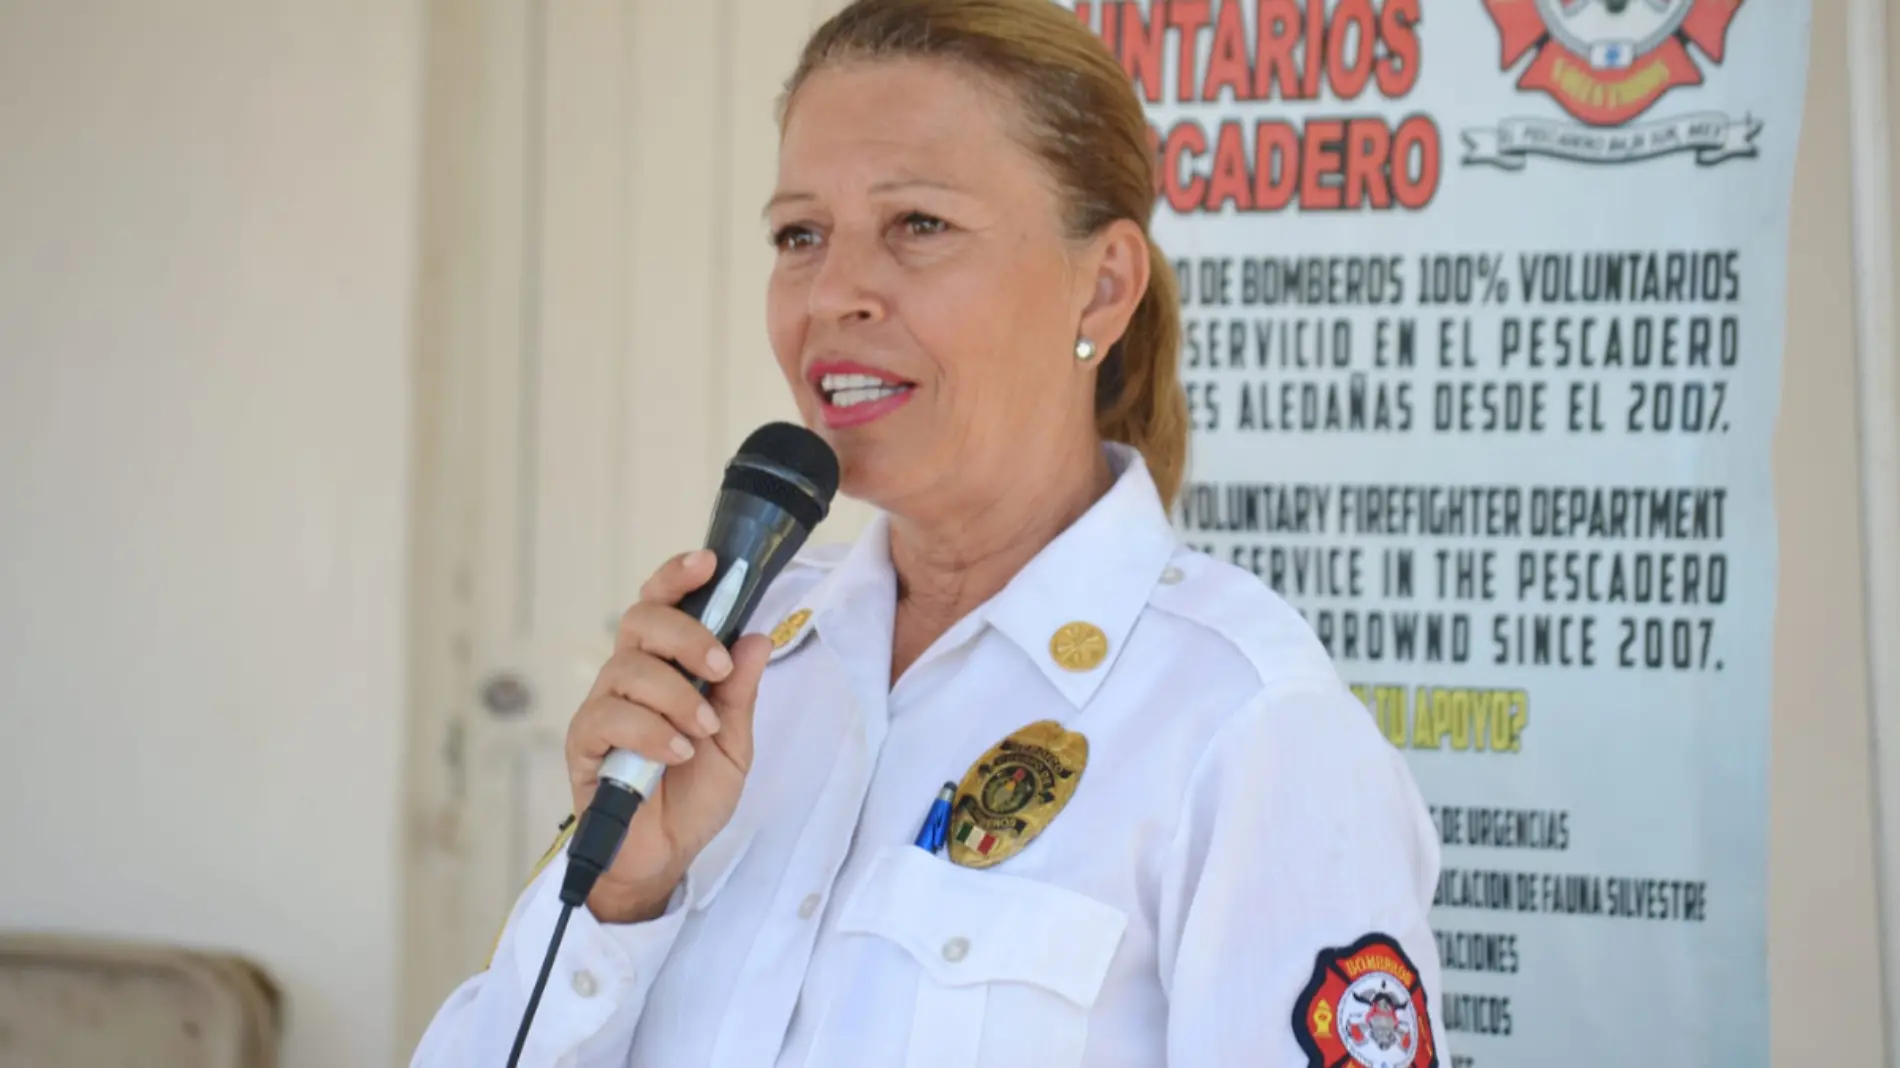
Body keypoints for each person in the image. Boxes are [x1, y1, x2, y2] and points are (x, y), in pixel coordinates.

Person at [412, 0, 1446, 1065]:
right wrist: (623, 897)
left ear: (1102, 287)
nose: (833, 293)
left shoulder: (1245, 725)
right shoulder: (739, 661)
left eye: (918, 226)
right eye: (799, 235)